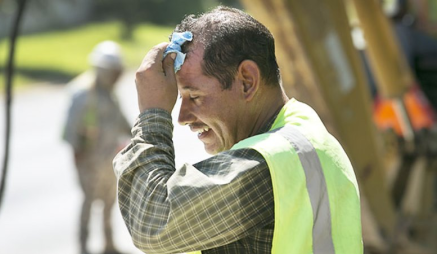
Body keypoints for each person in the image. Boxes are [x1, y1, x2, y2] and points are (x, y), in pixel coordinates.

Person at [113, 6, 363, 254]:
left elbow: (152, 224)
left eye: (195, 96)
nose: (182, 118)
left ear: (247, 81)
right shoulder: (301, 130)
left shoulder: (272, 161)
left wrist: (152, 115)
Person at [63, 41, 130, 254]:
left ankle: (108, 244)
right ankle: (83, 246)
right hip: (88, 162)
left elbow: (121, 121)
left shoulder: (109, 94)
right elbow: (71, 130)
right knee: (88, 201)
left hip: (109, 159)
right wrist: (78, 157)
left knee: (110, 201)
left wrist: (139, 134)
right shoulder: (83, 94)